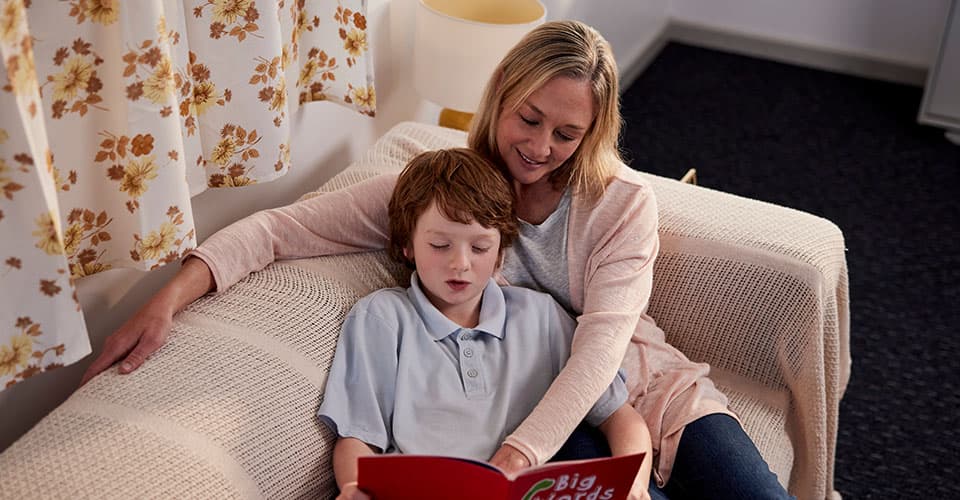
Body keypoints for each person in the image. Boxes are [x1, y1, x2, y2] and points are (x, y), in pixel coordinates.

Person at [82, 20, 793, 499]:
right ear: (502, 98)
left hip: (637, 384)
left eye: (568, 133)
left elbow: (602, 351)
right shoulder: (445, 193)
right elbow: (279, 231)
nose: (542, 147)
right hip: (542, 401)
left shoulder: (622, 205)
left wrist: (513, 460)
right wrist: (167, 299)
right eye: (529, 119)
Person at [320, 148, 651, 500]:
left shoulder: (541, 317)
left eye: (479, 248)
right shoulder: (381, 319)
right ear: (407, 246)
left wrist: (634, 485)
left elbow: (620, 417)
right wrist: (356, 489)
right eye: (440, 245)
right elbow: (356, 437)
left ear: (500, 252)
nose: (460, 263)